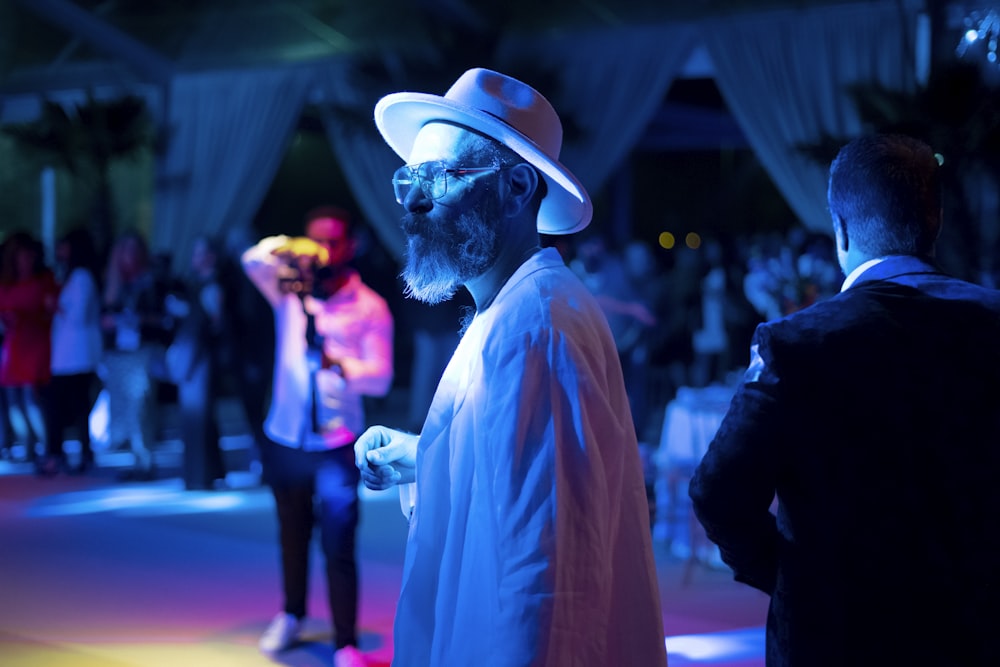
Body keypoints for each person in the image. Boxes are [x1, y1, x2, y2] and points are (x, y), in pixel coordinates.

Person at [354, 68, 667, 667]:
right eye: (409, 179)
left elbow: (548, 579)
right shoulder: (516, 310)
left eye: (439, 178)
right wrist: (427, 454)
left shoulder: (536, 326)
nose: (415, 200)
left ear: (518, 188)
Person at [688, 134, 1000, 667]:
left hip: (832, 635)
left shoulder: (797, 344)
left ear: (841, 229)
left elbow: (717, 491)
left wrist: (790, 575)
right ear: (937, 220)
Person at [241, 207, 393, 667]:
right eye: (314, 241)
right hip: (286, 436)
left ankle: (345, 641)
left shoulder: (369, 306)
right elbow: (251, 260)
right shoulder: (289, 292)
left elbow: (382, 379)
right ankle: (292, 615)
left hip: (336, 443)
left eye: (331, 242)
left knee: (339, 541)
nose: (321, 251)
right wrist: (289, 248)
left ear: (351, 247)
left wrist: (340, 365)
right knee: (291, 534)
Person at [100, 230, 170, 481]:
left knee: (142, 405)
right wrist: (109, 322)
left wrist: (139, 319)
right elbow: (104, 316)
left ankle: (145, 459)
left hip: (143, 350)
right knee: (125, 408)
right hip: (119, 353)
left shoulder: (153, 281)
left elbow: (165, 317)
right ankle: (135, 459)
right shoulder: (113, 284)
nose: (129, 256)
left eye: (133, 250)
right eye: (125, 250)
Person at [42, 227, 103, 475]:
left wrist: (55, 306)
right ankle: (74, 453)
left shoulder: (81, 278)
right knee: (74, 405)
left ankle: (70, 454)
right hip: (68, 355)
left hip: (77, 355)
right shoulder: (71, 276)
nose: (59, 251)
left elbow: (78, 316)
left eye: (64, 245)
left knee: (73, 405)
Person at [168, 235, 228, 490]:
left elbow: (217, 325)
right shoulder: (199, 286)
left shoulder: (213, 287)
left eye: (198, 253)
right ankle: (204, 474)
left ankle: (200, 477)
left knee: (198, 417)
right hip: (197, 357)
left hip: (201, 358)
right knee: (197, 417)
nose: (194, 259)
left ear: (210, 257)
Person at [0, 231, 58, 469]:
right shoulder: (6, 284)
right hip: (13, 344)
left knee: (32, 398)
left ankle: (46, 447)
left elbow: (52, 312)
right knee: (13, 400)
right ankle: (27, 446)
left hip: (36, 343)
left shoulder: (45, 281)